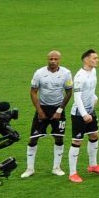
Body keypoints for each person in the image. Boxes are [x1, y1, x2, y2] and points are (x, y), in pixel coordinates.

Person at [24, 50, 73, 179]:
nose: (53, 61)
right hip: (42, 108)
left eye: (55, 59)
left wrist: (60, 110)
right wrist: (39, 110)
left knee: (59, 137)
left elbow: (69, 92)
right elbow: (33, 92)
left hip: (58, 109)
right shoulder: (39, 73)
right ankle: (29, 168)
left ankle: (56, 167)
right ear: (47, 59)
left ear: (59, 60)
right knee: (34, 138)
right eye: (51, 59)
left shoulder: (66, 73)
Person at [68, 49, 99, 183]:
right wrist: (84, 114)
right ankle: (72, 173)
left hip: (90, 111)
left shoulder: (93, 71)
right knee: (77, 141)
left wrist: (94, 97)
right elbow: (76, 96)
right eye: (94, 58)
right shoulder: (79, 76)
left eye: (97, 58)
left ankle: (93, 165)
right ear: (86, 60)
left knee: (94, 135)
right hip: (79, 113)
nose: (97, 60)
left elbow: (91, 90)